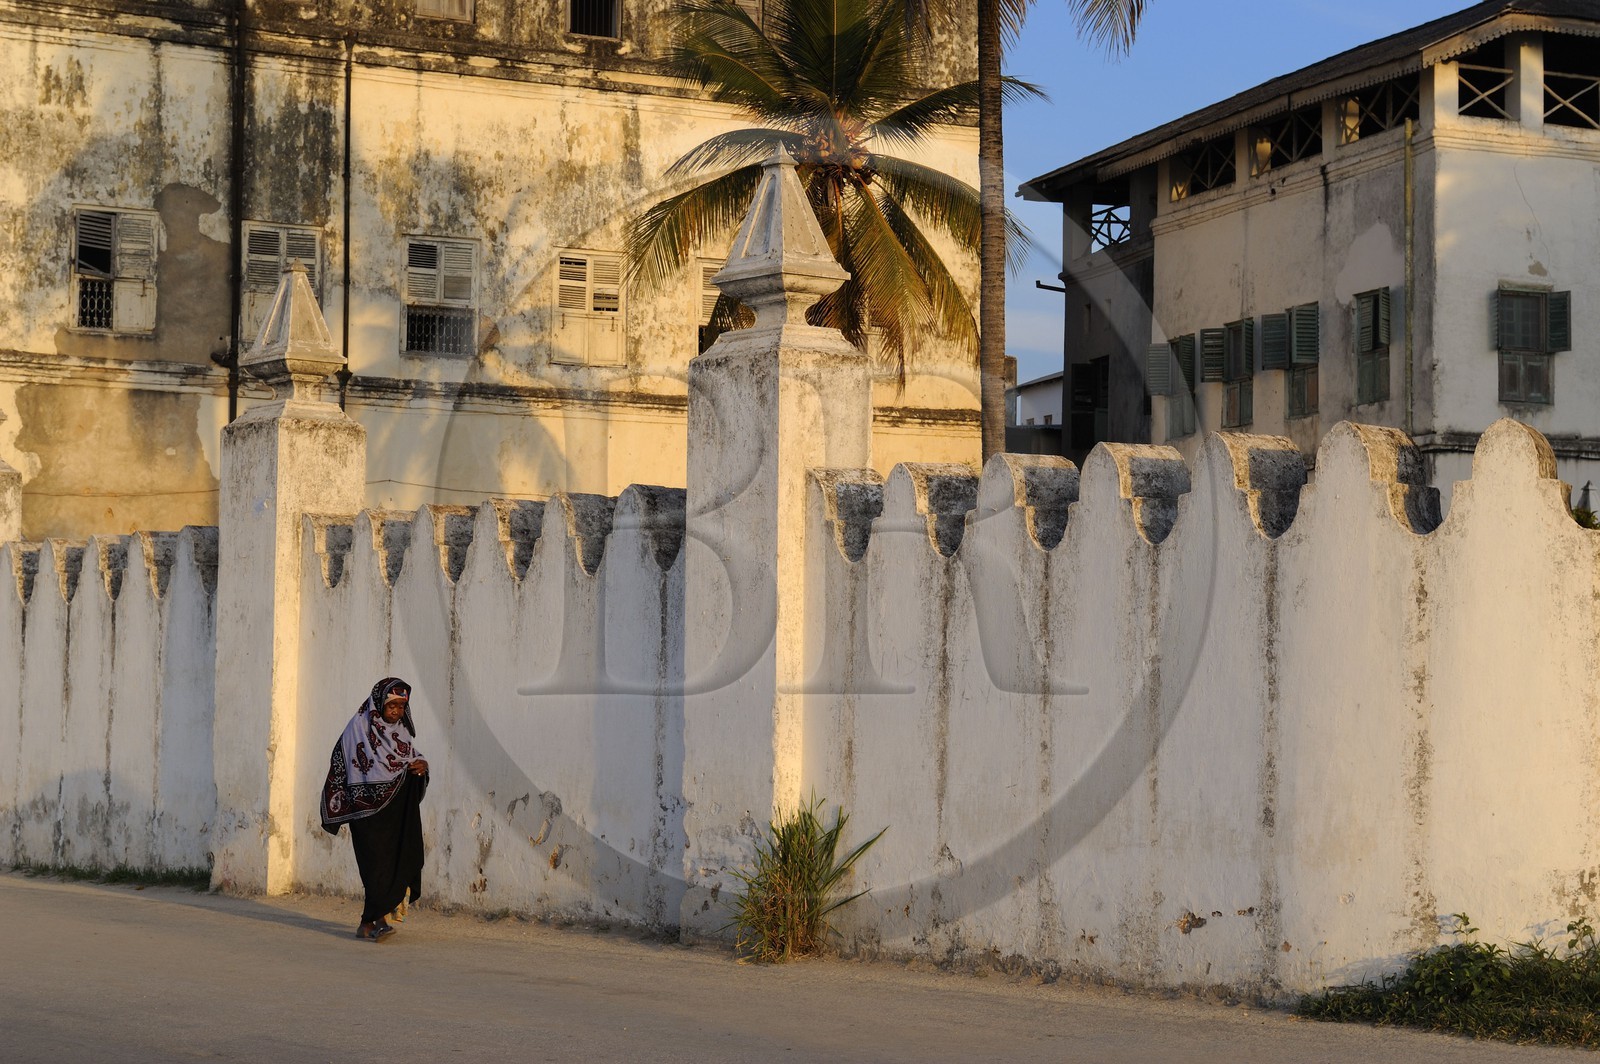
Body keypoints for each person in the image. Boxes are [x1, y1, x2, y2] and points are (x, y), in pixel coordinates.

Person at [319, 677, 430, 942]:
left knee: (395, 861)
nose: (396, 711)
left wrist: (421, 766)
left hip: (394, 810)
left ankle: (369, 923)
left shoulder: (401, 730)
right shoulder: (358, 726)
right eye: (392, 705)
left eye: (402, 707)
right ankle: (375, 921)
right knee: (374, 865)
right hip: (365, 811)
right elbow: (342, 762)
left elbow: (410, 757)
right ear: (380, 703)